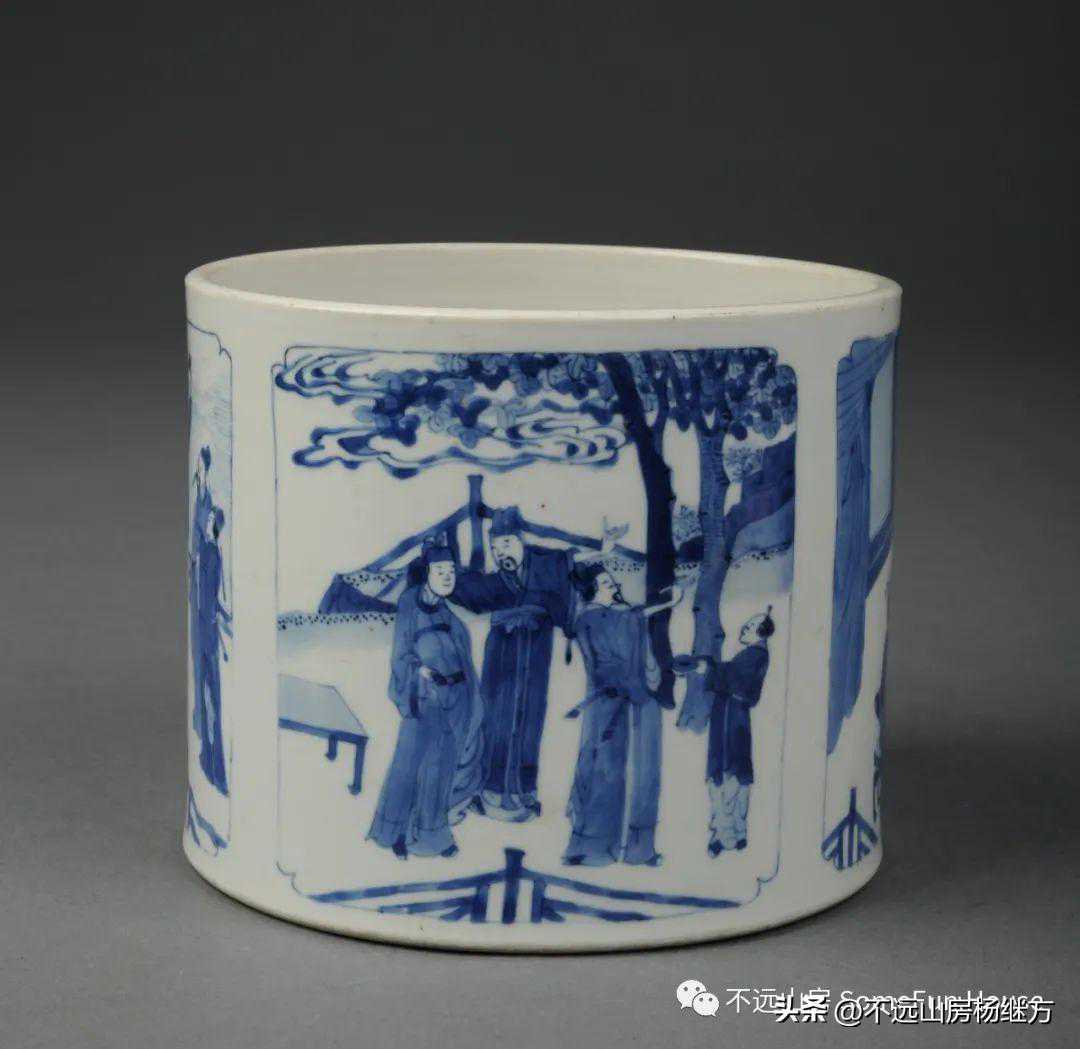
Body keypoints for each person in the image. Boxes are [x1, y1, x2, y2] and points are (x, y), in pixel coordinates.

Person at [451, 507, 627, 822]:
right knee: (496, 718)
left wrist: (604, 547)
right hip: (501, 656)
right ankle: (490, 792)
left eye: (506, 544)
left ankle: (522, 793)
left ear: (520, 540)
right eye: (495, 547)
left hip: (535, 652)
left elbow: (572, 561)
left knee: (529, 718)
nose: (501, 552)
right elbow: (465, 589)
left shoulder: (545, 565)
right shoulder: (496, 582)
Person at [561, 563, 682, 867]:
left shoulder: (615, 615)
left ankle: (640, 849)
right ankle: (593, 848)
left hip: (638, 701)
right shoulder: (589, 619)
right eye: (606, 583)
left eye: (612, 581)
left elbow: (633, 617)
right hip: (610, 704)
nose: (613, 586)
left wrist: (664, 604)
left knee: (643, 772)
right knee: (604, 773)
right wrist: (661, 605)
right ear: (591, 590)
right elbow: (609, 656)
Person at [368, 544, 483, 859]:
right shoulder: (409, 604)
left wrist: (470, 702)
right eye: (440, 571)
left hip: (454, 700)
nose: (447, 577)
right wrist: (418, 672)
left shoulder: (451, 618)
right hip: (421, 698)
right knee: (409, 766)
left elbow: (465, 663)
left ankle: (433, 836)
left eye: (451, 571)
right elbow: (401, 654)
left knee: (440, 769)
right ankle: (394, 833)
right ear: (426, 574)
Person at [675, 608, 774, 855]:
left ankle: (725, 835)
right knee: (734, 775)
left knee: (727, 774)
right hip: (732, 717)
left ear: (760, 633)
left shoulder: (756, 655)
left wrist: (705, 667)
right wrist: (706, 666)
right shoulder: (753, 654)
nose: (744, 629)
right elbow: (729, 672)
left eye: (749, 627)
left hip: (732, 719)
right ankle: (735, 832)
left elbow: (733, 676)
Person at [190, 448, 231, 796]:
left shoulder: (211, 553)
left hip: (208, 629)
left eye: (209, 523)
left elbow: (218, 595)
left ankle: (213, 761)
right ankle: (209, 759)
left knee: (211, 690)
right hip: (205, 627)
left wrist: (222, 618)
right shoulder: (206, 552)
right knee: (206, 688)